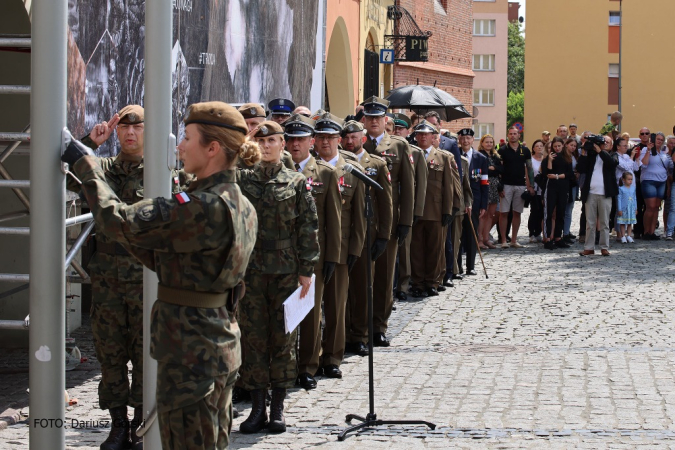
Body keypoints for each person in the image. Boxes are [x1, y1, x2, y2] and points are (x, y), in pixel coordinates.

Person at [61, 101, 260, 449]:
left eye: (187, 138)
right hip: (214, 344)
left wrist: (83, 161)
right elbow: (167, 258)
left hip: (191, 354)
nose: (180, 147)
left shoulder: (201, 207)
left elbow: (118, 219)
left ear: (212, 148)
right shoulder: (238, 202)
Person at [69, 105, 182, 450]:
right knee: (110, 352)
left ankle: (139, 423)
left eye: (138, 127)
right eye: (124, 129)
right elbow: (69, 171)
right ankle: (117, 425)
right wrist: (90, 141)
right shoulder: (105, 169)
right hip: (107, 281)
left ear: (149, 130)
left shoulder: (163, 173)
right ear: (117, 133)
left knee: (145, 352)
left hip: (146, 275)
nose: (130, 134)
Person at [237, 119, 320, 434]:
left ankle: (278, 408)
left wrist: (306, 269)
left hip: (285, 271)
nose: (266, 146)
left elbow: (308, 227)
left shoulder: (296, 183)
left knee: (284, 339)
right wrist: (243, 142)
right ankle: (257, 407)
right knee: (254, 339)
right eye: (260, 141)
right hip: (251, 271)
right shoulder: (243, 179)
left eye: (272, 141)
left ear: (282, 144)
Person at [285, 114, 342, 390]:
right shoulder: (277, 171)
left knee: (309, 313)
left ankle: (307, 366)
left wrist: (332, 256)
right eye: (291, 139)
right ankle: (283, 366)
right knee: (283, 313)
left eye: (301, 139)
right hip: (281, 255)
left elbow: (334, 220)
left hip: (313, 256)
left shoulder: (326, 174)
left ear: (312, 141)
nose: (295, 145)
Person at [312, 112, 366, 379]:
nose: (325, 143)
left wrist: (356, 248)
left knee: (336, 305)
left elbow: (359, 213)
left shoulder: (352, 168)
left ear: (339, 140)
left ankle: (332, 356)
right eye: (320, 137)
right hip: (311, 248)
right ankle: (307, 358)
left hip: (342, 247)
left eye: (330, 137)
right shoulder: (304, 167)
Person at [362, 96, 414, 347]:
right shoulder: (353, 144)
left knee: (384, 276)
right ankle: (359, 327)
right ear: (364, 120)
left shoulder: (398, 146)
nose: (373, 122)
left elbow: (408, 186)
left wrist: (405, 222)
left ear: (385, 120)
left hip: (387, 222)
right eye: (369, 118)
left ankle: (379, 325)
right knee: (360, 278)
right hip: (358, 220)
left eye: (378, 118)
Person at [342, 120, 392, 357]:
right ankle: (342, 333)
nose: (349, 141)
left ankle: (360, 334)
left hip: (368, 232)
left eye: (353, 137)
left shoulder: (377, 164)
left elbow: (386, 203)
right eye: (346, 137)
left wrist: (384, 235)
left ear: (362, 139)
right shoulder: (339, 163)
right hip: (344, 232)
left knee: (363, 287)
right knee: (344, 287)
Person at [409, 121, 454, 297]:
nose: (422, 137)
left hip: (435, 210)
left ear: (433, 136)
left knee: (435, 249)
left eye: (426, 134)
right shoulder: (410, 154)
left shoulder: (443, 157)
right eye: (419, 134)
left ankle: (432, 281)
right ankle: (418, 282)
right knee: (417, 249)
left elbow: (448, 186)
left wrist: (448, 210)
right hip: (415, 209)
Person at [392, 113, 428, 299]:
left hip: (406, 207)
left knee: (405, 249)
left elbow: (421, 185)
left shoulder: (415, 153)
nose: (397, 131)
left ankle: (403, 286)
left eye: (401, 128)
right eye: (395, 128)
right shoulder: (384, 150)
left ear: (408, 131)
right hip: (388, 207)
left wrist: (417, 210)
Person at [578, 134, 619, 256]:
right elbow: (581, 168)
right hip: (590, 193)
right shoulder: (591, 156)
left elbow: (611, 164)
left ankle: (604, 247)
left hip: (605, 194)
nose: (604, 144)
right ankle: (589, 247)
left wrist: (601, 151)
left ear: (611, 145)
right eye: (603, 142)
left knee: (605, 222)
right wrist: (585, 153)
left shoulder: (612, 155)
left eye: (607, 143)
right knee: (590, 222)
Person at [457, 128, 488, 275]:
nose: (465, 141)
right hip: (458, 199)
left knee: (471, 233)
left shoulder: (480, 158)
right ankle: (457, 267)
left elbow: (484, 183)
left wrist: (483, 205)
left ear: (473, 140)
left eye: (468, 138)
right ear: (459, 139)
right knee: (457, 234)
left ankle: (471, 266)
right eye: (463, 138)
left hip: (475, 200)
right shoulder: (454, 155)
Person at [498, 126, 534, 248]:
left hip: (520, 185)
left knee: (517, 213)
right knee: (504, 213)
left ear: (519, 135)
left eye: (515, 133)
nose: (513, 135)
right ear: (508, 135)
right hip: (506, 184)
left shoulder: (525, 150)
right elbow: (499, 169)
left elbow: (529, 168)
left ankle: (514, 240)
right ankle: (503, 240)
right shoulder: (502, 150)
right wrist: (499, 186)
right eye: (511, 133)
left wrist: (531, 185)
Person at [638, 131, 673, 239]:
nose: (659, 141)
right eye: (658, 139)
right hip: (649, 181)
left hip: (661, 182)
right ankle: (646, 231)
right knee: (650, 206)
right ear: (653, 140)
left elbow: (669, 168)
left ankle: (652, 231)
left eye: (661, 140)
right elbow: (644, 164)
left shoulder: (664, 154)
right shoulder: (645, 150)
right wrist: (649, 150)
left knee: (656, 207)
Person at [541, 137, 575, 250]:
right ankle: (547, 239)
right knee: (549, 213)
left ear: (563, 145)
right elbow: (547, 174)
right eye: (555, 146)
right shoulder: (547, 159)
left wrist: (557, 176)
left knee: (561, 212)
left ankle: (558, 237)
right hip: (551, 188)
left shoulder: (567, 158)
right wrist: (550, 161)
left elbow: (570, 174)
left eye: (559, 146)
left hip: (563, 188)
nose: (557, 148)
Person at [477, 134, 502, 249]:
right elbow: (481, 171)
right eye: (486, 142)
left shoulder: (496, 156)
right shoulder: (479, 156)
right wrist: (491, 170)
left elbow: (501, 169)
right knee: (483, 214)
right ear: (482, 143)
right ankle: (479, 239)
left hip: (494, 186)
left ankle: (486, 238)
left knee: (491, 214)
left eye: (491, 142)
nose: (489, 144)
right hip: (484, 185)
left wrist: (494, 169)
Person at [562, 138, 579, 243]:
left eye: (574, 146)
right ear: (566, 145)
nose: (573, 147)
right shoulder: (563, 156)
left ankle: (566, 232)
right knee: (563, 209)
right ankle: (562, 232)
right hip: (565, 184)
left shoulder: (575, 156)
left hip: (573, 184)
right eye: (571, 145)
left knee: (569, 209)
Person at [528, 139, 546, 243]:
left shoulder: (546, 159)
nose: (539, 147)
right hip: (534, 188)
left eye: (541, 146)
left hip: (543, 189)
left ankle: (539, 232)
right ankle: (532, 232)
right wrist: (530, 187)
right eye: (537, 146)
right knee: (534, 211)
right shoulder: (530, 160)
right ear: (533, 148)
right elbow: (528, 174)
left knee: (543, 212)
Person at [617, 172, 637, 243]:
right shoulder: (621, 189)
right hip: (623, 208)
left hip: (631, 208)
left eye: (631, 179)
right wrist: (619, 209)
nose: (630, 181)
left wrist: (635, 208)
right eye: (629, 179)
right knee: (622, 222)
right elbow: (619, 199)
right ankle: (623, 236)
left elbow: (634, 198)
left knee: (630, 222)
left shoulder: (633, 188)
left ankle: (629, 235)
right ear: (624, 180)